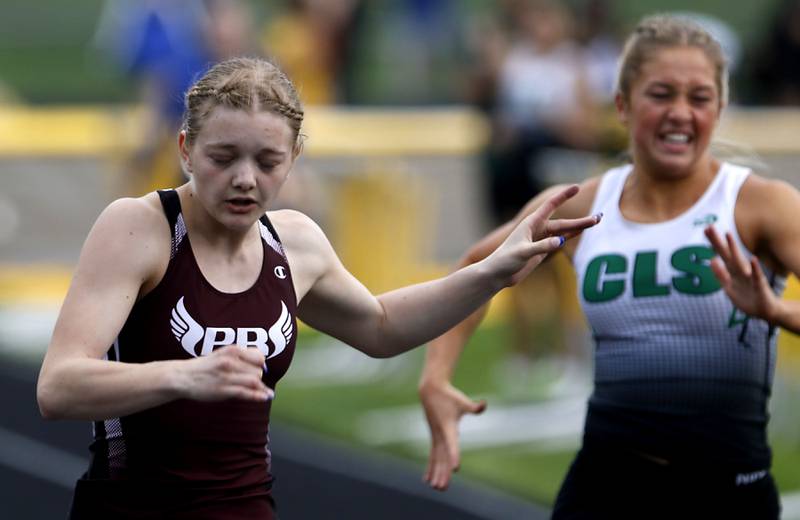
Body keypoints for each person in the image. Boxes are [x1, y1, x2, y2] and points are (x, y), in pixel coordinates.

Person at [34, 56, 599, 519]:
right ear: (185, 149)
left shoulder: (295, 242)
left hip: (248, 509)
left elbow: (379, 327)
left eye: (268, 160)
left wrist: (493, 272)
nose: (245, 179)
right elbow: (58, 387)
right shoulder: (140, 227)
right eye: (222, 157)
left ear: (295, 159)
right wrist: (184, 375)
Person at [418, 15, 800, 519]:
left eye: (699, 98)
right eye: (660, 94)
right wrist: (435, 376)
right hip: (604, 485)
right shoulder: (588, 204)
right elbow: (477, 265)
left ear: (720, 108)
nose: (680, 113)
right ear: (622, 105)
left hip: (727, 492)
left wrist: (777, 312)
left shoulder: (760, 204)